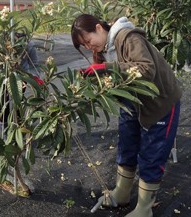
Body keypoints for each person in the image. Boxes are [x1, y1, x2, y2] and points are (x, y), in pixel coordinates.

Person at [71, 14, 182, 217]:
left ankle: (144, 209)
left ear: (99, 28)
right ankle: (121, 193)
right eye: (84, 46)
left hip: (159, 103)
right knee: (127, 146)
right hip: (133, 102)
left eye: (88, 41)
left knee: (151, 154)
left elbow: (146, 69)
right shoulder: (106, 49)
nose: (89, 47)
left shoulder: (128, 37)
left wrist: (106, 68)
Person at [0, 32, 43, 131]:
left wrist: (34, 79)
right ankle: (4, 128)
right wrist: (6, 81)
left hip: (22, 74)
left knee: (19, 102)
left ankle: (19, 127)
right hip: (1, 75)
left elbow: (34, 65)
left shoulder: (29, 45)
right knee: (2, 104)